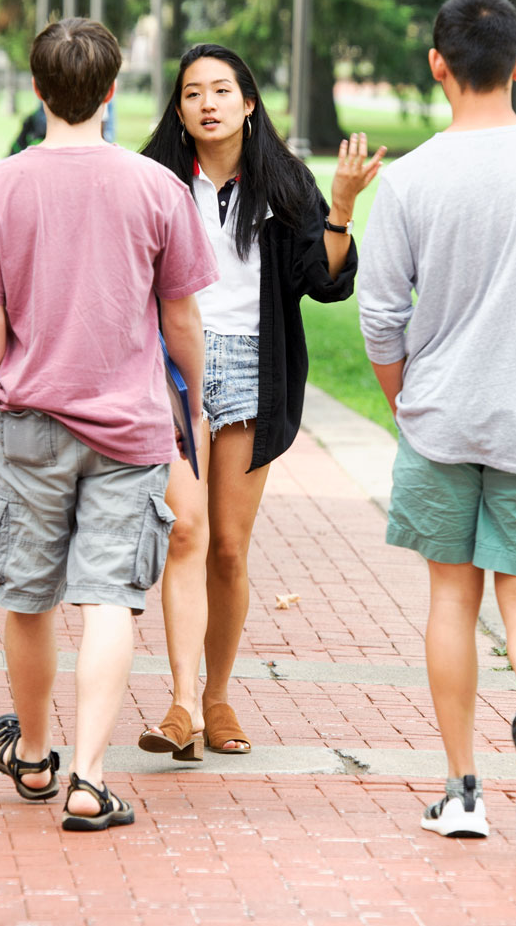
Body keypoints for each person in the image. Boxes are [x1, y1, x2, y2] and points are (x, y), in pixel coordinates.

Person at [0, 17, 217, 832]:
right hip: (130, 430)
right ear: (112, 90)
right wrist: (193, 404)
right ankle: (91, 779)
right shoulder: (156, 189)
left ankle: (34, 755)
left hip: (29, 420)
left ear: (37, 90)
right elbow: (181, 319)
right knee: (109, 598)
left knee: (27, 596)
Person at [357, 0, 516, 843]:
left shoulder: (410, 178)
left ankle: (463, 790)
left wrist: (404, 405)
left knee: (450, 601)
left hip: (441, 416)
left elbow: (380, 315)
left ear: (437, 65)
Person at [135, 43, 379, 761]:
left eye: (221, 90)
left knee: (229, 549)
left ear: (248, 102)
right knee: (187, 530)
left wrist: (339, 207)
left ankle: (217, 695)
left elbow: (325, 281)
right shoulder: (154, 181)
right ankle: (181, 704)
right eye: (191, 93)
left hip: (250, 366)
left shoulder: (283, 184)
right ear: (177, 109)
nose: (206, 103)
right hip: (172, 366)